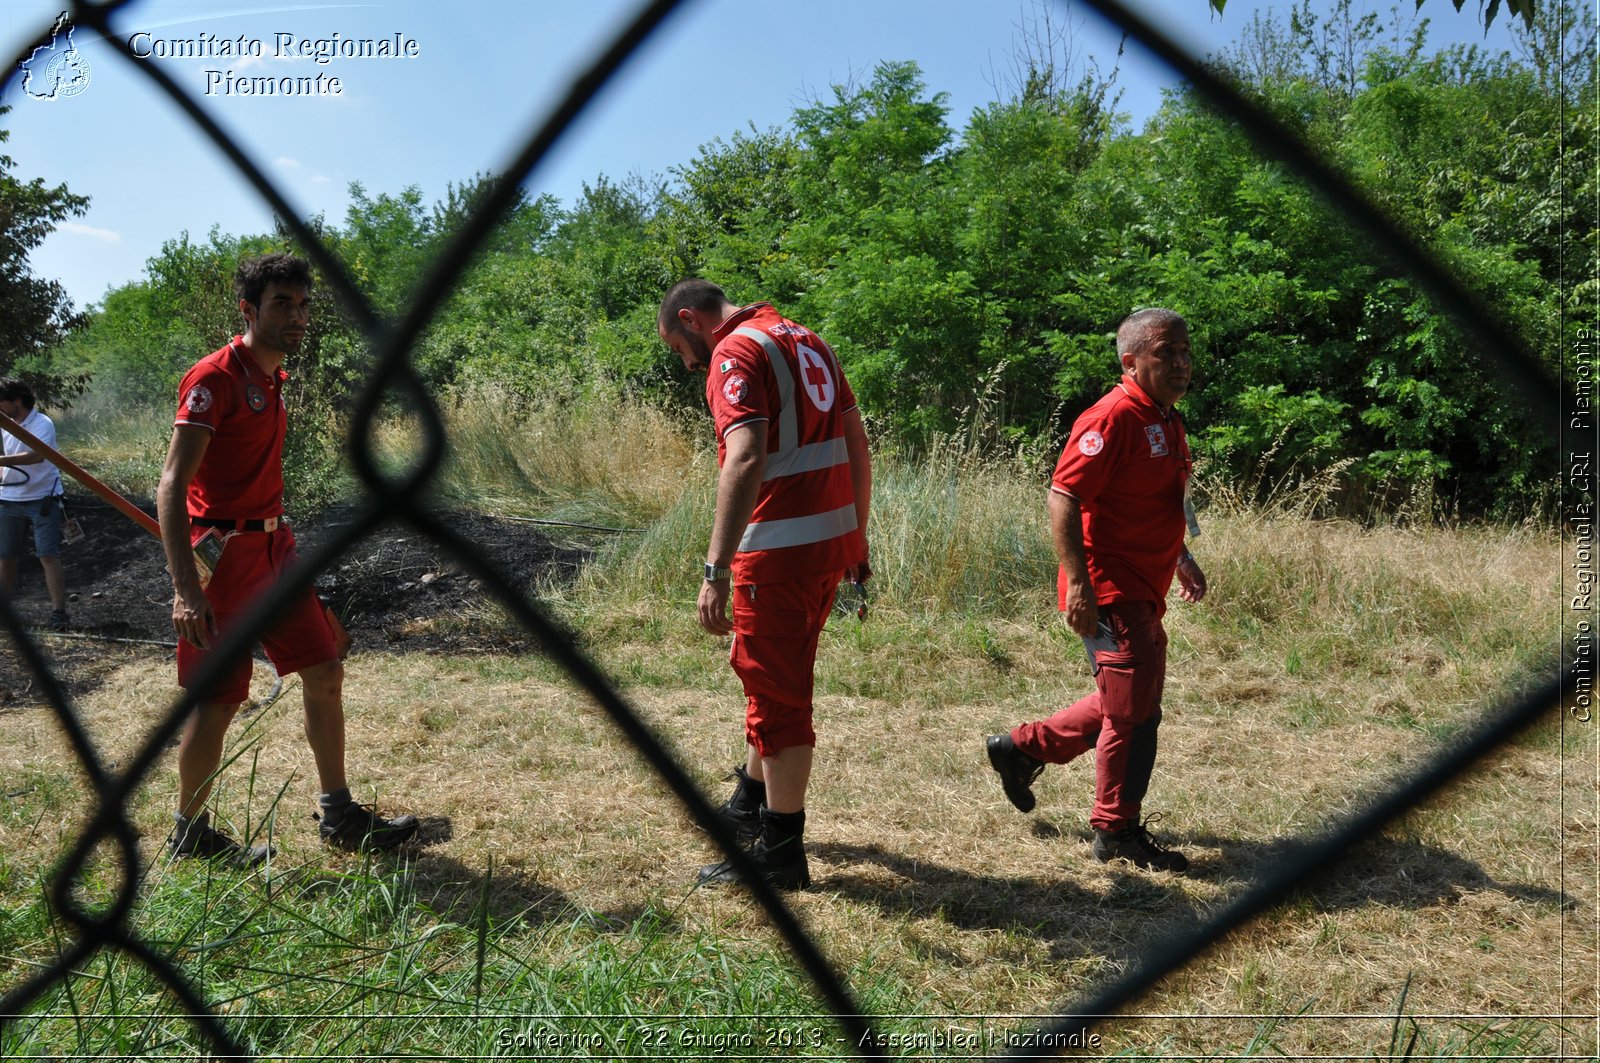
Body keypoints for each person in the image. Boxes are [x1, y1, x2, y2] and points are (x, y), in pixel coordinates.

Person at [156, 252, 419, 865]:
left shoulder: (275, 376)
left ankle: (338, 814)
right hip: (220, 560)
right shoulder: (213, 378)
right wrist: (185, 589)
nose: (297, 316)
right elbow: (171, 485)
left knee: (325, 670)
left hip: (278, 548)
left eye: (303, 305)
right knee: (218, 698)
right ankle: (189, 833)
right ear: (248, 309)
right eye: (281, 304)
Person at [657, 279, 872, 891]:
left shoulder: (733, 352)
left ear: (693, 321)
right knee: (771, 674)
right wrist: (854, 535)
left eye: (680, 349)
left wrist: (715, 567)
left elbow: (745, 457)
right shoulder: (807, 339)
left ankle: (780, 853)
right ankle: (750, 801)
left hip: (777, 550)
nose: (688, 363)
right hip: (826, 543)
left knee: (777, 696)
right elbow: (857, 442)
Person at [986, 308, 1207, 873]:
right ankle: (1116, 828)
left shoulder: (1164, 416)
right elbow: (1063, 497)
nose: (1181, 362)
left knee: (1131, 703)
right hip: (1109, 588)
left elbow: (1157, 500)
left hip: (1146, 584)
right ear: (1131, 361)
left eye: (1185, 351)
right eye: (1167, 353)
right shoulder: (1112, 418)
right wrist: (1079, 584)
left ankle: (1023, 747)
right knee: (1133, 714)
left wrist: (1180, 555)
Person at [0, 378, 70, 632]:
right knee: (5, 557)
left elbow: (37, 454)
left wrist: (1, 461)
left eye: (1, 401)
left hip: (43, 499)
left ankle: (59, 613)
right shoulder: (6, 425)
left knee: (48, 555)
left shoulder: (42, 423)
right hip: (10, 500)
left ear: (17, 400)